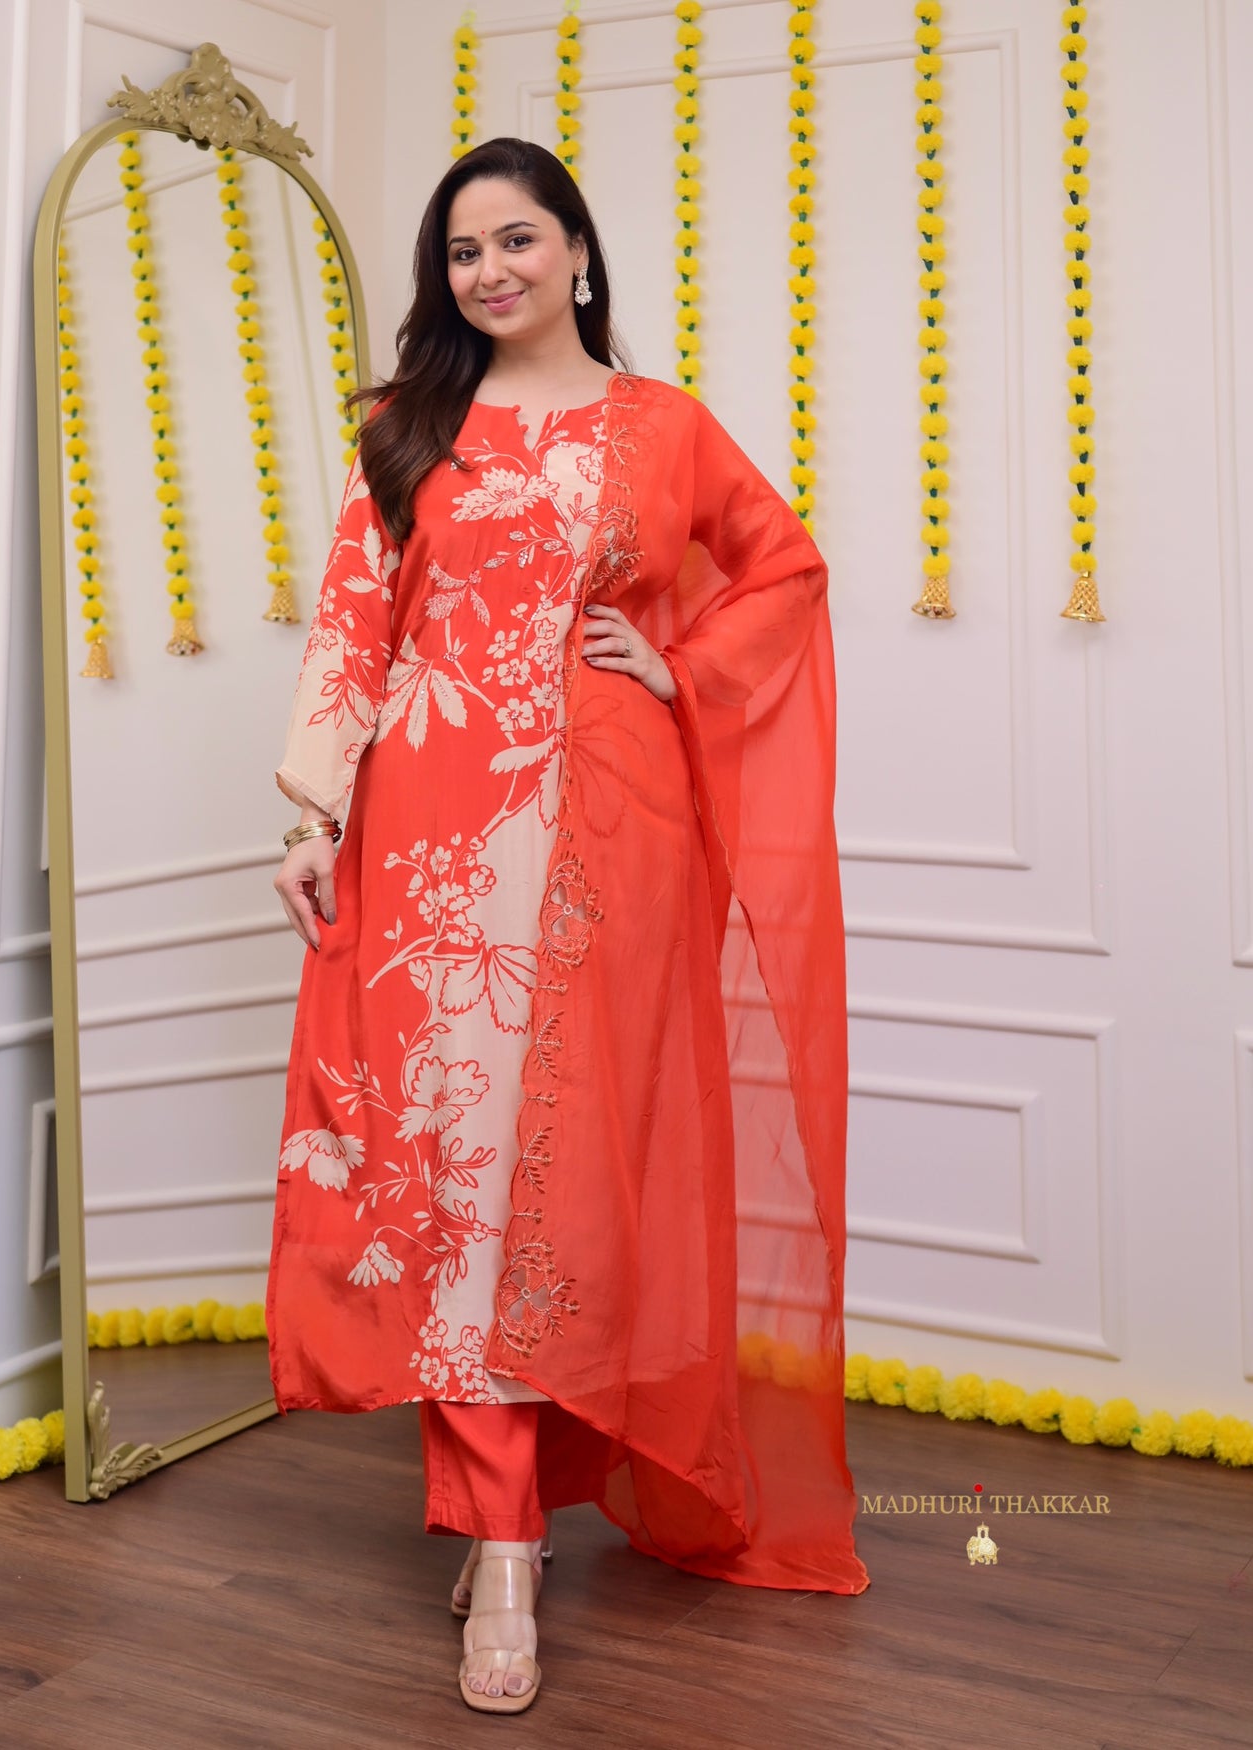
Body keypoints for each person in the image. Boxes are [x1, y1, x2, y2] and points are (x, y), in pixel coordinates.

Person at [268, 135, 868, 1716]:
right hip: (428, 845)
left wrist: (686, 667)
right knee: (448, 1183)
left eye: (518, 240)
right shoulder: (408, 427)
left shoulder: (663, 427)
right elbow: (354, 620)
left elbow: (782, 567)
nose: (490, 271)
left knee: (570, 1197)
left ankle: (512, 1519)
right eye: (463, 251)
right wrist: (314, 814)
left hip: (609, 844)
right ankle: (504, 1538)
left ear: (580, 253)